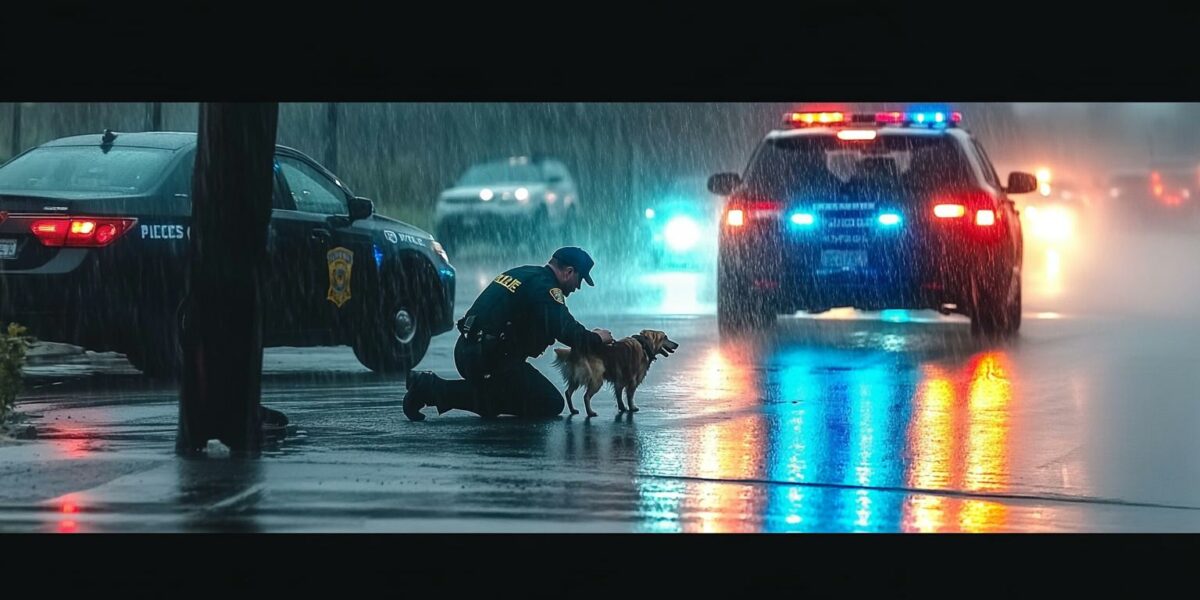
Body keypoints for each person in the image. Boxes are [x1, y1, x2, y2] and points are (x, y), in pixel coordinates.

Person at [402, 247, 613, 420]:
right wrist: (597, 338)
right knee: (548, 402)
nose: (578, 287)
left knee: (511, 391)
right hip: (490, 359)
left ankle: (430, 385)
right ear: (568, 272)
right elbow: (568, 331)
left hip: (469, 350)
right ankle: (431, 388)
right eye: (580, 279)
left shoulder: (522, 273)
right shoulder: (546, 289)